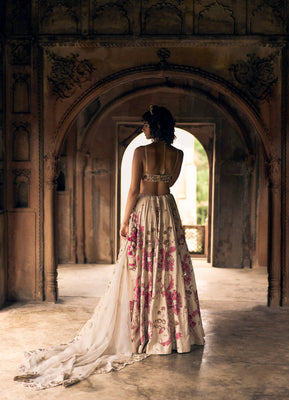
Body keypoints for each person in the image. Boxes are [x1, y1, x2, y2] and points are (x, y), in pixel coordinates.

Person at [14, 105, 204, 390]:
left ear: (153, 127)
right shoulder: (178, 155)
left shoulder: (141, 152)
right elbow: (171, 183)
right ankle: (170, 336)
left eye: (145, 125)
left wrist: (125, 220)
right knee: (167, 268)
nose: (143, 130)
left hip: (144, 212)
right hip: (167, 211)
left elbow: (133, 190)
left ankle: (142, 332)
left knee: (140, 269)